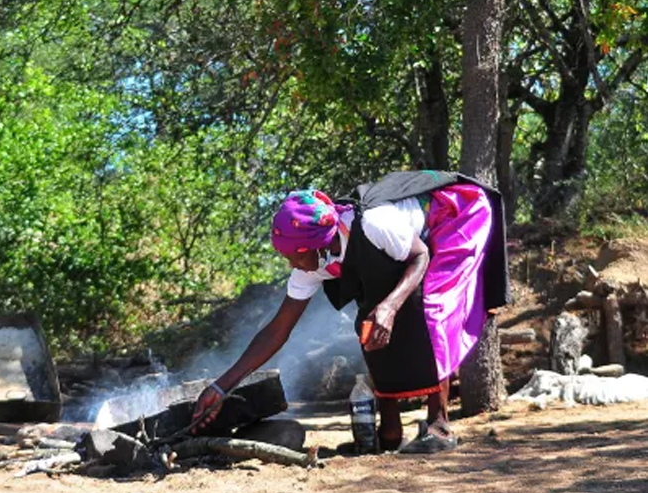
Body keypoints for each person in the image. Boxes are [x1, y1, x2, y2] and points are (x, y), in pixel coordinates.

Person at [191, 170, 509, 453]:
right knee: (369, 323)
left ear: (316, 244)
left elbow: (420, 256)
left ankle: (438, 424)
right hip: (408, 246)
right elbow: (278, 330)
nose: (290, 264)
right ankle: (390, 431)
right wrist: (222, 386)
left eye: (292, 256)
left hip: (456, 215)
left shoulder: (374, 223)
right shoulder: (312, 262)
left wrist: (390, 306)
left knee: (430, 308)